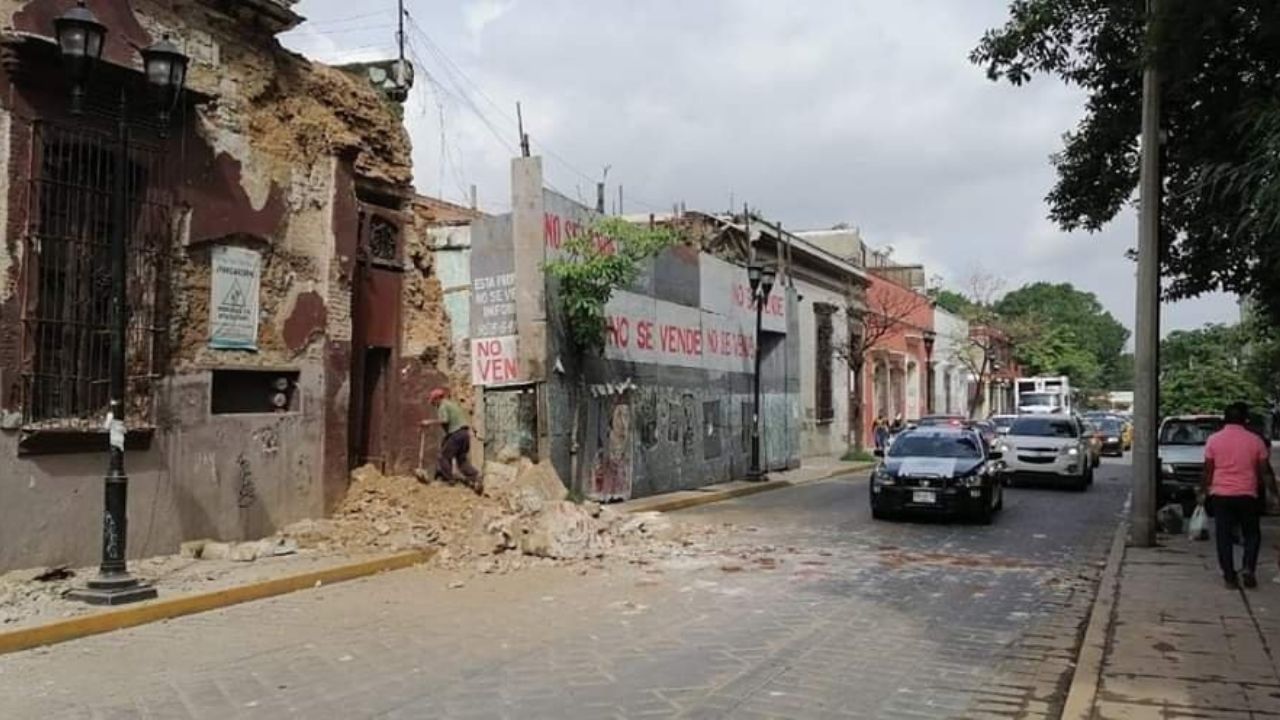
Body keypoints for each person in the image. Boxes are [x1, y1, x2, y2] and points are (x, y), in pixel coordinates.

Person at [1201, 402, 1271, 589]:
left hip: (1221, 494)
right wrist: (1274, 494)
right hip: (1248, 494)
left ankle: (1229, 576)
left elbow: (1208, 470)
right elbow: (1264, 472)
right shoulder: (1255, 440)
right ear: (1245, 419)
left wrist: (1203, 491)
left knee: (1223, 536)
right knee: (1252, 534)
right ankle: (1248, 567)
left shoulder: (1214, 440)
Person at [422, 387, 481, 492]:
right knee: (461, 460)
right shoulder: (452, 404)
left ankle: (448, 480)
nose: (433, 403)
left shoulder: (442, 406)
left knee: (443, 456)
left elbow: (445, 420)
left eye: (433, 400)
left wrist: (429, 422)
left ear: (437, 399)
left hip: (456, 434)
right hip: (464, 434)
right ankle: (475, 477)